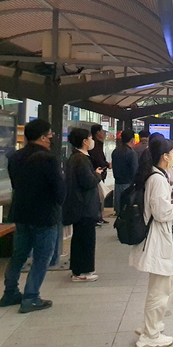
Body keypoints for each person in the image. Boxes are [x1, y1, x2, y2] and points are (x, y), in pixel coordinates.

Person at [0, 119, 63, 313]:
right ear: (43, 137)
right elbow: (59, 190)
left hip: (21, 213)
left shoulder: (15, 157)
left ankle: (10, 292)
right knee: (42, 257)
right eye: (50, 135)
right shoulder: (49, 159)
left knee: (19, 254)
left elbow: (15, 183)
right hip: (44, 215)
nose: (51, 138)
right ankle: (31, 297)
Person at [130, 138, 173, 347]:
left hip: (156, 237)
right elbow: (162, 213)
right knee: (159, 289)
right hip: (156, 238)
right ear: (165, 156)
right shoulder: (158, 179)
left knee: (168, 279)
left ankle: (151, 325)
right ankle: (150, 335)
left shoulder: (154, 176)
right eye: (172, 152)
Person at [64, 128, 103, 283]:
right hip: (84, 207)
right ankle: (82, 271)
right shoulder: (80, 159)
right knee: (86, 240)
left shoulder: (75, 158)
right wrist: (97, 175)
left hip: (80, 206)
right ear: (84, 141)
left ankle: (77, 269)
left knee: (80, 239)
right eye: (89, 138)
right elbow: (88, 182)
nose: (91, 140)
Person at [112, 129, 138, 217]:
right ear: (132, 140)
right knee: (127, 210)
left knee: (120, 209)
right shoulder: (131, 153)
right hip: (128, 184)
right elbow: (134, 170)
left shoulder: (115, 151)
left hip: (117, 183)